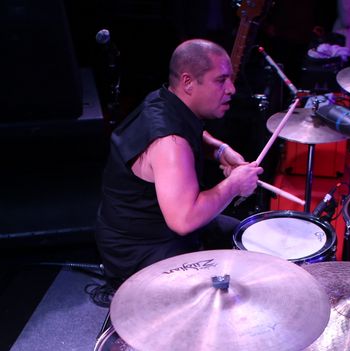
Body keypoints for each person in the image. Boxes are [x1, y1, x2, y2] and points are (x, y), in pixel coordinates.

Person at [95, 39, 263, 286]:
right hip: (141, 249)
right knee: (236, 285)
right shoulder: (169, 143)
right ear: (188, 82)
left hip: (155, 229)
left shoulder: (163, 100)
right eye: (221, 80)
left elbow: (193, 133)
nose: (231, 89)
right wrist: (234, 185)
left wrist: (220, 151)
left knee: (250, 237)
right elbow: (184, 221)